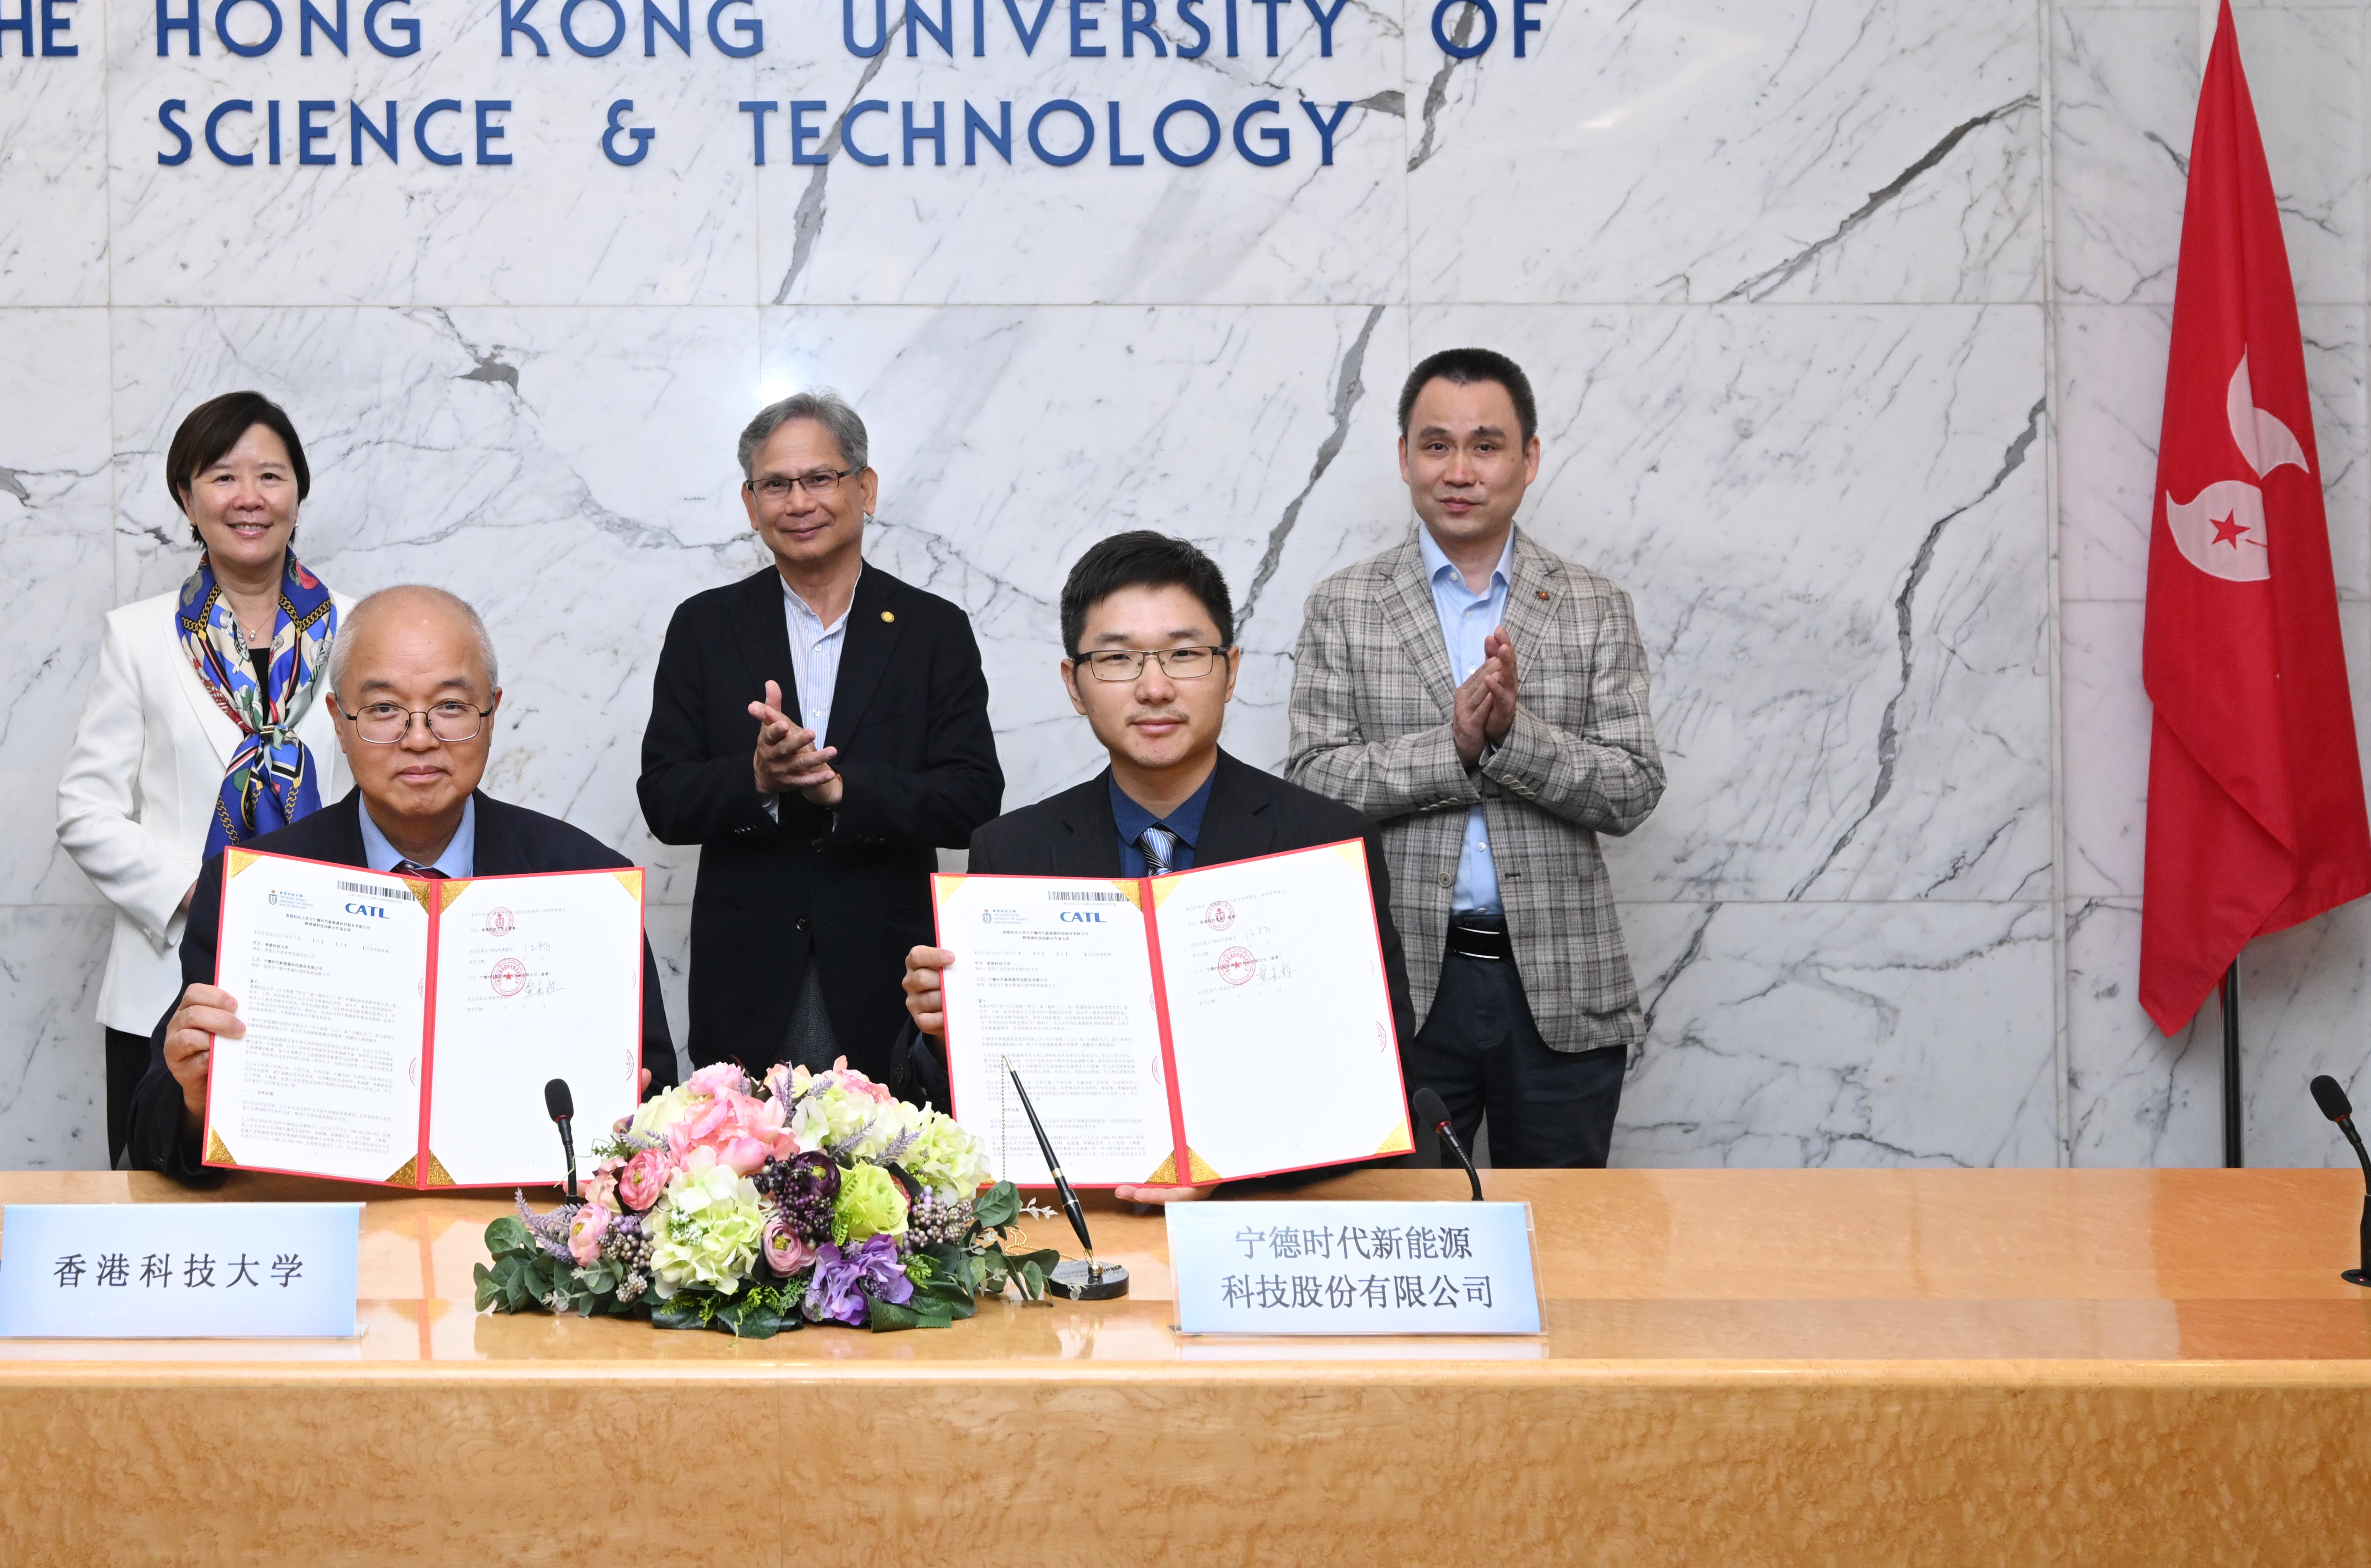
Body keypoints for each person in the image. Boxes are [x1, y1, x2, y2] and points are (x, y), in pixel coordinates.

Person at [897, 530, 1413, 1200]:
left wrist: (1222, 1174)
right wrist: (944, 1034)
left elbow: (1376, 1071)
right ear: (1074, 684)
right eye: (1117, 658)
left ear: (1230, 669)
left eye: (1184, 654)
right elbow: (954, 1108)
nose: (1154, 687)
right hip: (1086, 1223)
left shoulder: (1323, 844)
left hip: (1266, 1215)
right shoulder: (1012, 852)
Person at [130, 586, 682, 1181]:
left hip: (527, 1225)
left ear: (491, 714)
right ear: (339, 721)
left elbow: (660, 1108)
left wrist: (632, 1128)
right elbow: (153, 1134)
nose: (420, 738)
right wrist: (195, 1100)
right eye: (384, 709)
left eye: (451, 706)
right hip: (322, 1216)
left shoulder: (587, 885)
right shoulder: (255, 887)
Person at [1285, 347, 1665, 1169]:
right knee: (1410, 1232)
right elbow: (1313, 779)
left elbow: (1634, 785)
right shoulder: (1345, 604)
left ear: (1529, 459)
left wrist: (1513, 738)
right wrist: (1452, 749)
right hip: (1403, 984)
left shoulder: (1595, 605)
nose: (1459, 470)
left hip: (1563, 986)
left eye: (1486, 446)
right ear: (1404, 457)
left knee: (1566, 1233)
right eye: (1437, 445)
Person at [637, 391, 1003, 1076]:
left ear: (865, 488)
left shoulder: (932, 630)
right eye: (776, 484)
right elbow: (663, 798)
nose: (798, 501)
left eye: (820, 478)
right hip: (746, 981)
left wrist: (844, 791)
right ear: (751, 504)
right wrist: (757, 779)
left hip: (890, 981)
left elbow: (974, 799)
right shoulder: (704, 627)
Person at [56, 391, 346, 1166]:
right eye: (223, 477)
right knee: (163, 1196)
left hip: (333, 978)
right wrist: (201, 896)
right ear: (188, 499)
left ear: (298, 493)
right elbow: (85, 808)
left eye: (271, 476)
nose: (249, 497)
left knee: (318, 1196)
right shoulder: (139, 636)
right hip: (166, 987)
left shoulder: (362, 630)